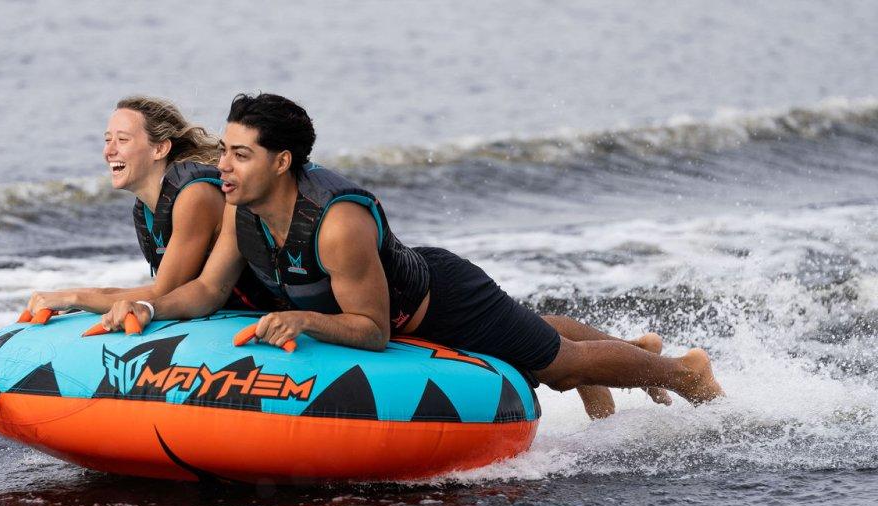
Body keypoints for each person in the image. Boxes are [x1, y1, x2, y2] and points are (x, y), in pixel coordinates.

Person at [102, 93, 723, 410]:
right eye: (223, 152)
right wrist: (148, 309)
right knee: (540, 342)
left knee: (554, 366)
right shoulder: (242, 207)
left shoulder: (337, 223)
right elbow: (208, 291)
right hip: (401, 277)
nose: (221, 166)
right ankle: (629, 353)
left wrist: (303, 318)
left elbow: (371, 332)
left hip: (442, 301)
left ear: (282, 161)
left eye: (240, 154)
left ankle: (683, 374)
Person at [26, 96, 271, 317]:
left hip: (269, 310)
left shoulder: (195, 195)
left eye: (122, 140)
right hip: (229, 312)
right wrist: (70, 297)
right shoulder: (147, 208)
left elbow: (163, 292)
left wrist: (74, 298)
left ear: (160, 148)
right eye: (108, 140)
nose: (109, 151)